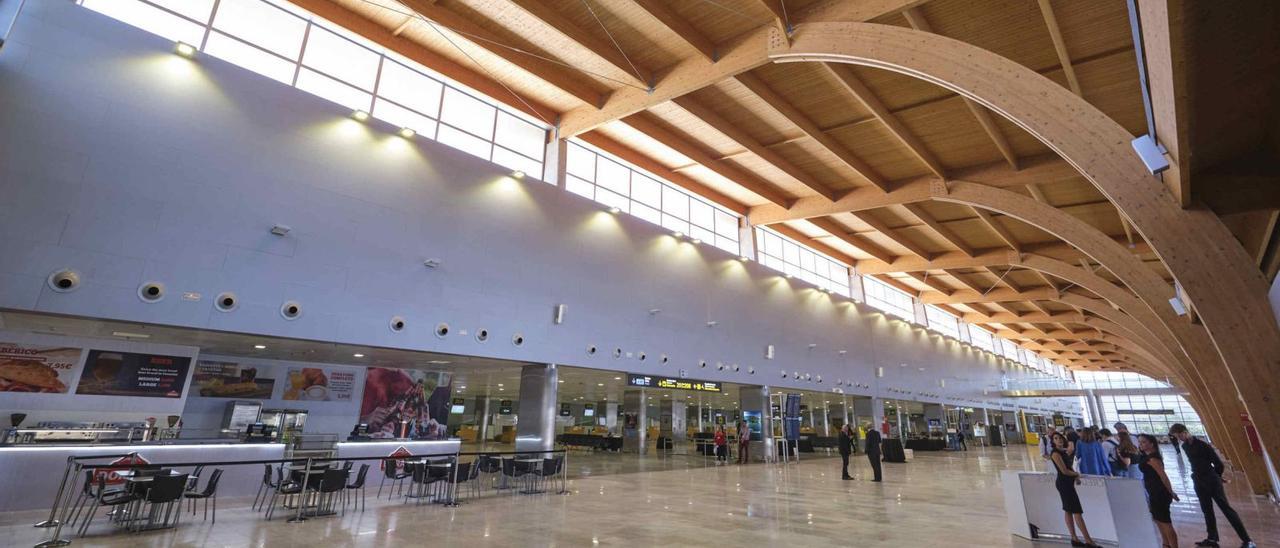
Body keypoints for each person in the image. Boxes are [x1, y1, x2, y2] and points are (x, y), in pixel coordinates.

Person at [1171, 423, 1255, 548]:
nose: (1179, 439)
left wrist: (1216, 477)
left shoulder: (1203, 445)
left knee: (1226, 509)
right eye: (1176, 437)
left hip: (1210, 479)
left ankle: (1248, 541)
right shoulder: (1185, 447)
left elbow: (1218, 464)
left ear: (1184, 432)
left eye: (1179, 436)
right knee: (1207, 510)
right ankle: (1212, 539)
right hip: (1198, 480)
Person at [1049, 432, 1100, 548]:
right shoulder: (1055, 454)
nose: (1059, 440)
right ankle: (1088, 541)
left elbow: (1069, 468)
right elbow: (1064, 471)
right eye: (1056, 438)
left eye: (1060, 438)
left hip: (1067, 483)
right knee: (1076, 511)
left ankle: (1074, 538)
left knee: (1068, 510)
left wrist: (1075, 476)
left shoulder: (1063, 452)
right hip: (1064, 484)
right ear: (1053, 442)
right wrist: (1076, 474)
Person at [1138, 433, 1180, 548]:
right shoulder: (1146, 456)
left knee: (1165, 522)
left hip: (1159, 492)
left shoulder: (1153, 458)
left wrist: (1171, 492)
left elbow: (1163, 476)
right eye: (1140, 442)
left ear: (1151, 444)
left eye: (1143, 442)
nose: (1140, 444)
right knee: (1159, 520)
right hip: (1153, 491)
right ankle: (1166, 544)